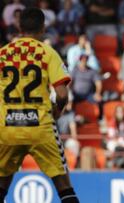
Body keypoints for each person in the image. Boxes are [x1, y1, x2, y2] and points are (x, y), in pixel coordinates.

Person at [0, 8, 79, 203]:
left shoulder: (2, 54)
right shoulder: (47, 52)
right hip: (40, 126)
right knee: (64, 187)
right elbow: (62, 94)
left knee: (1, 186)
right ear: (43, 28)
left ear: (19, 26)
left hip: (7, 127)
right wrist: (57, 111)